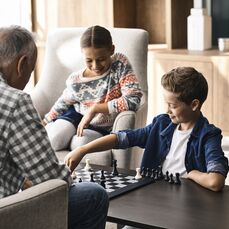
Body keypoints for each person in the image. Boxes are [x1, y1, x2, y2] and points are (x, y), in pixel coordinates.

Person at [0, 25, 109, 229]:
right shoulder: (14, 101)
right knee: (93, 195)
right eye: (30, 72)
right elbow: (54, 180)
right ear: (22, 64)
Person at [65, 66, 229, 192]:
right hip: (153, 196)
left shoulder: (209, 136)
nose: (167, 110)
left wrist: (193, 174)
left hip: (187, 204)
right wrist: (84, 149)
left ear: (194, 104)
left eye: (172, 106)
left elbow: (215, 182)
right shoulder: (161, 125)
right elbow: (123, 138)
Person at [43, 25, 142, 151]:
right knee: (55, 139)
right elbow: (63, 102)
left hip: (99, 126)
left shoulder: (120, 64)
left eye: (101, 59)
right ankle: (54, 128)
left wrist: (95, 109)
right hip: (75, 115)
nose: (95, 66)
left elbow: (133, 100)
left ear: (111, 50)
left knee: (80, 144)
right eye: (89, 60)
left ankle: (68, 137)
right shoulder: (75, 81)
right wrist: (45, 121)